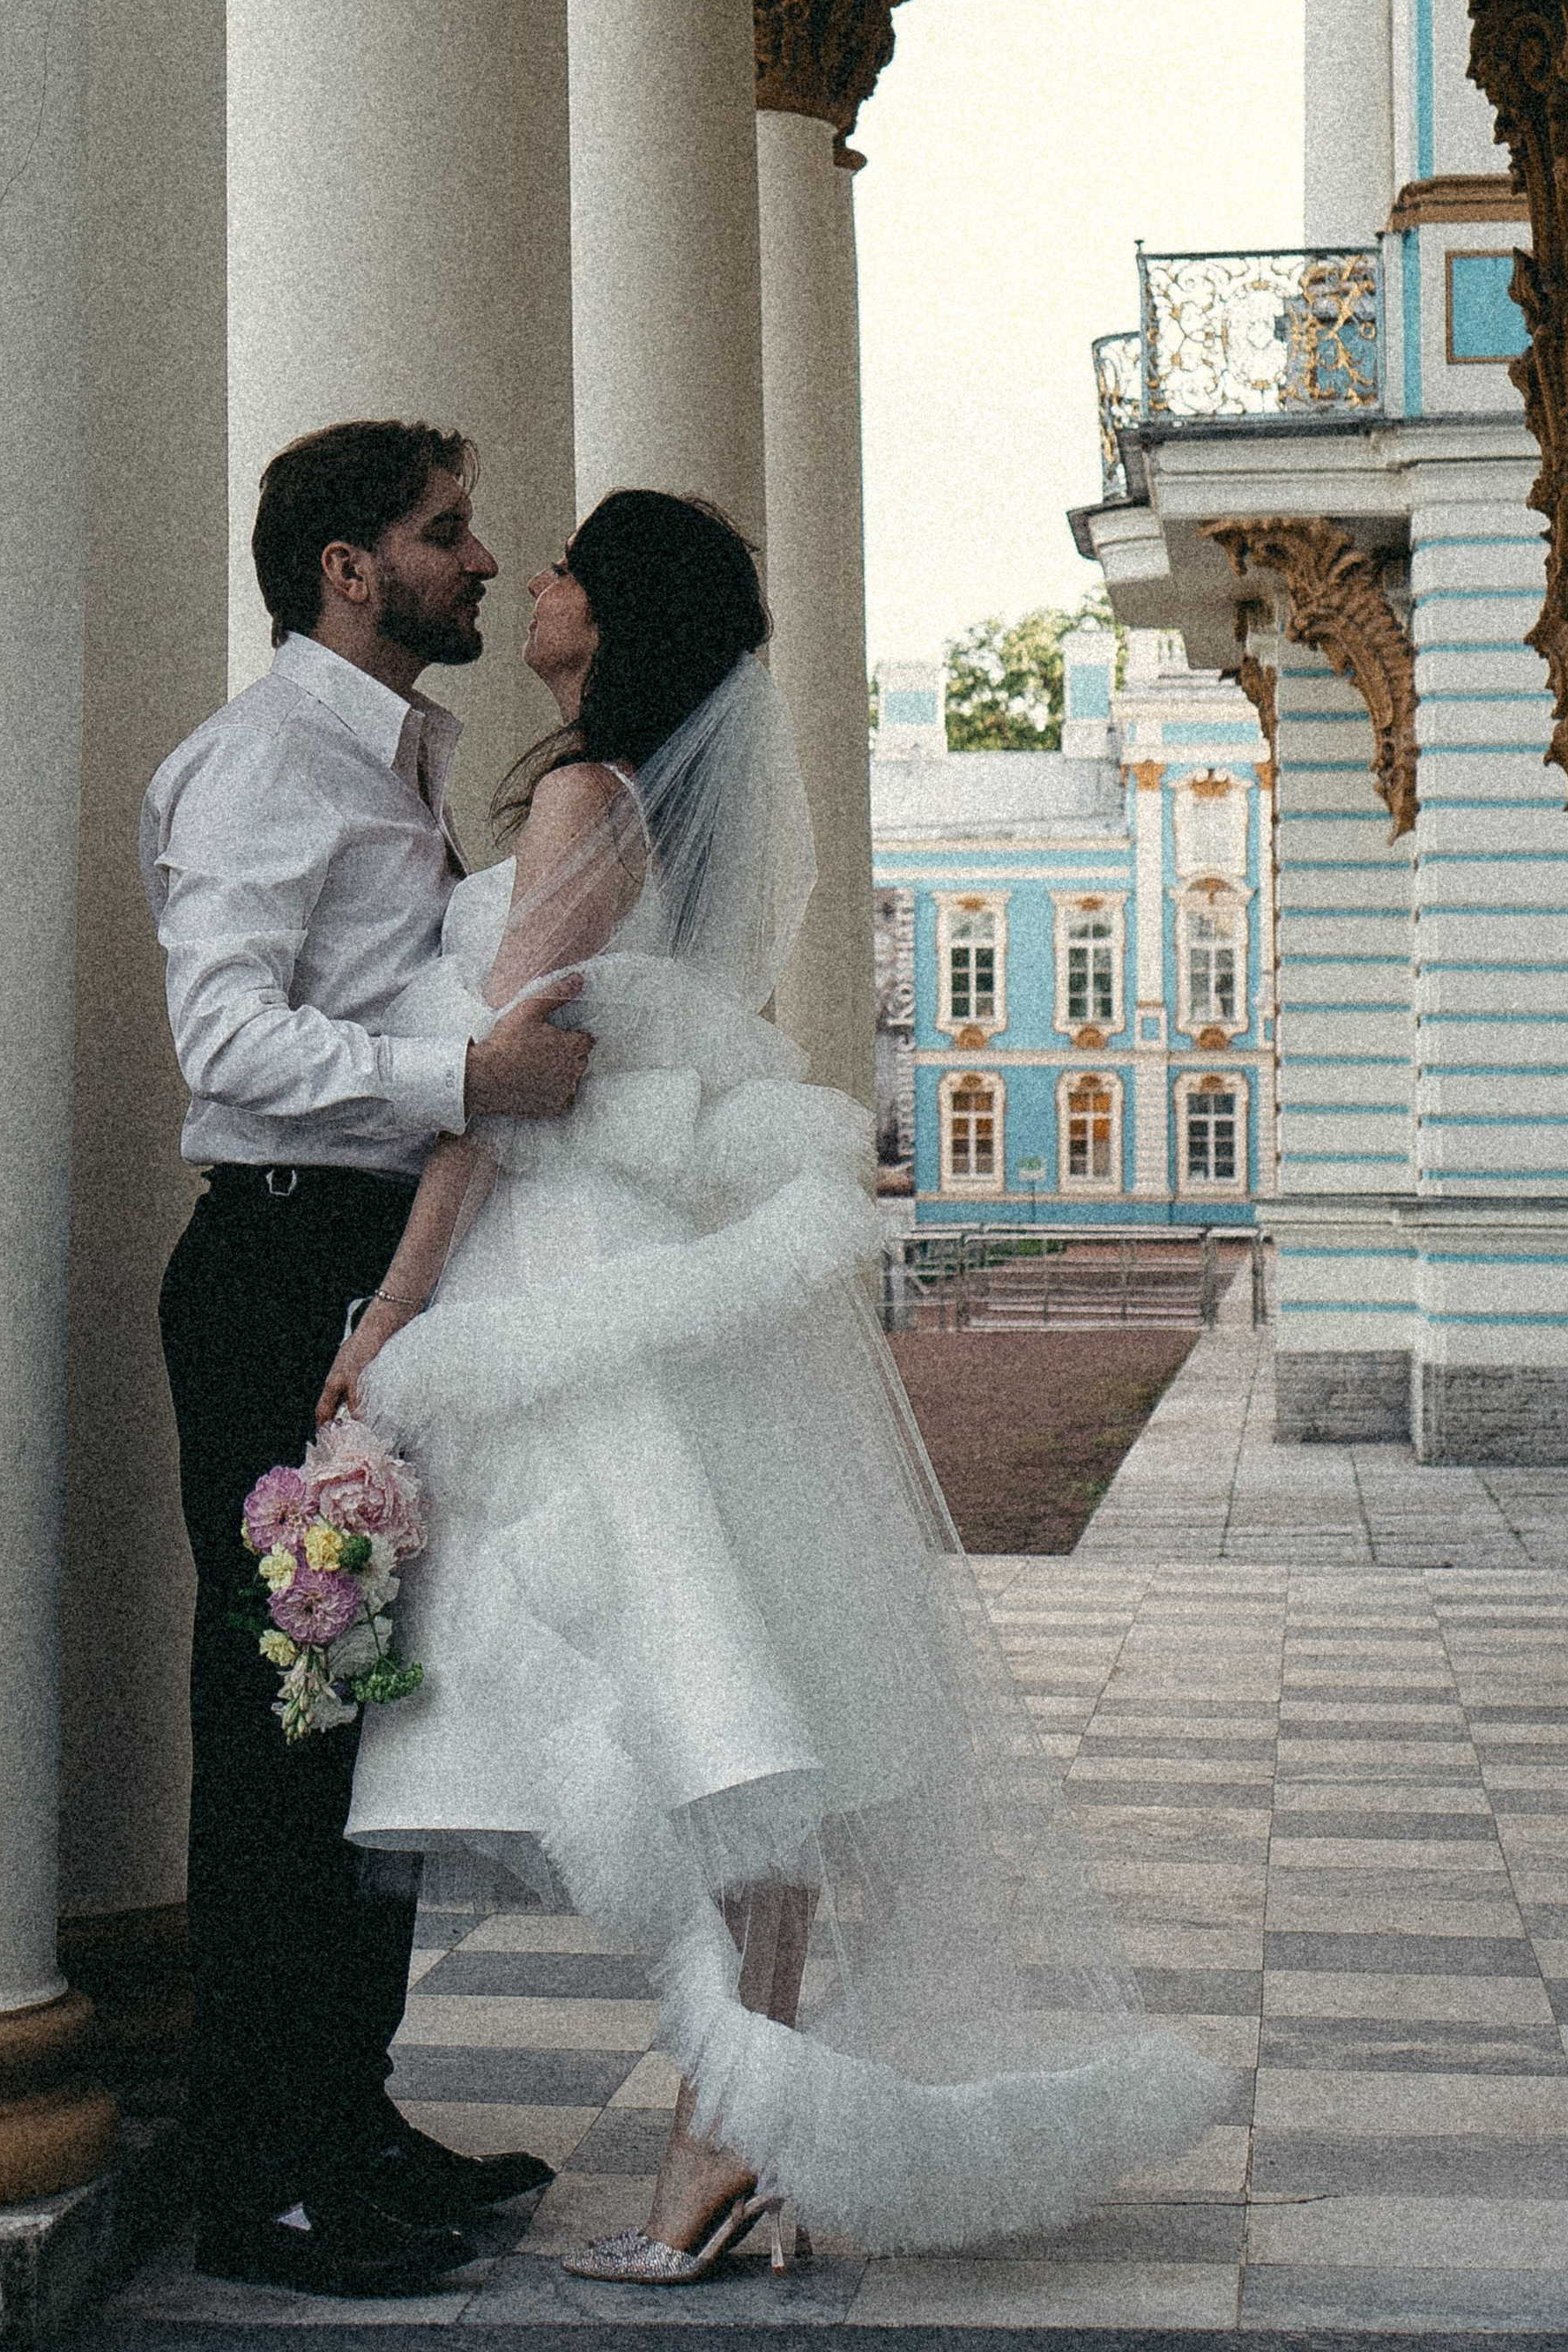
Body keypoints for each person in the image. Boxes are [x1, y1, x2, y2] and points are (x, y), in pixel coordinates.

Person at [328, 489, 1224, 2279]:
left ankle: (725, 2133)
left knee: (693, 1700)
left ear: (619, 615)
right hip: (654, 1266)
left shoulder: (591, 794)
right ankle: (730, 2135)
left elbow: (509, 1083)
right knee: (742, 1710)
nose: (535, 584)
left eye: (567, 568)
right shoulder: (665, 803)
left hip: (569, 1270)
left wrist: (395, 1314)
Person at [142, 420, 594, 2298]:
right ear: (346, 567)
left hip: (365, 1272)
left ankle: (347, 2116)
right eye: (443, 533)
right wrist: (458, 1080)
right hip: (276, 1274)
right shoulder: (266, 764)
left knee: (356, 1719)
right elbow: (220, 1037)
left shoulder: (394, 754)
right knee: (278, 1737)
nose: (481, 560)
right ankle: (262, 2182)